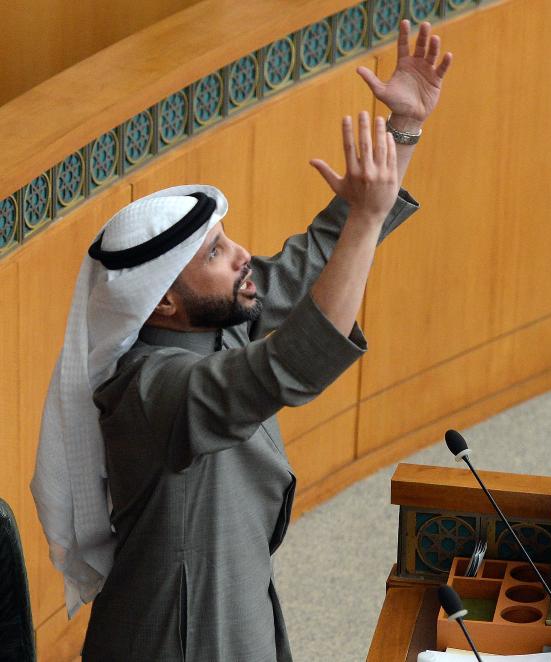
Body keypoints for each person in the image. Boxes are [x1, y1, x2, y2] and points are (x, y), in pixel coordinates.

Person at [29, 20, 452, 662]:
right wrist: (367, 218)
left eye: (226, 239)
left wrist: (404, 129)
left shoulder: (213, 319)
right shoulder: (151, 390)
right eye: (215, 253)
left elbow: (314, 259)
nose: (240, 255)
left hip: (230, 595)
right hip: (180, 636)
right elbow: (290, 366)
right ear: (162, 301)